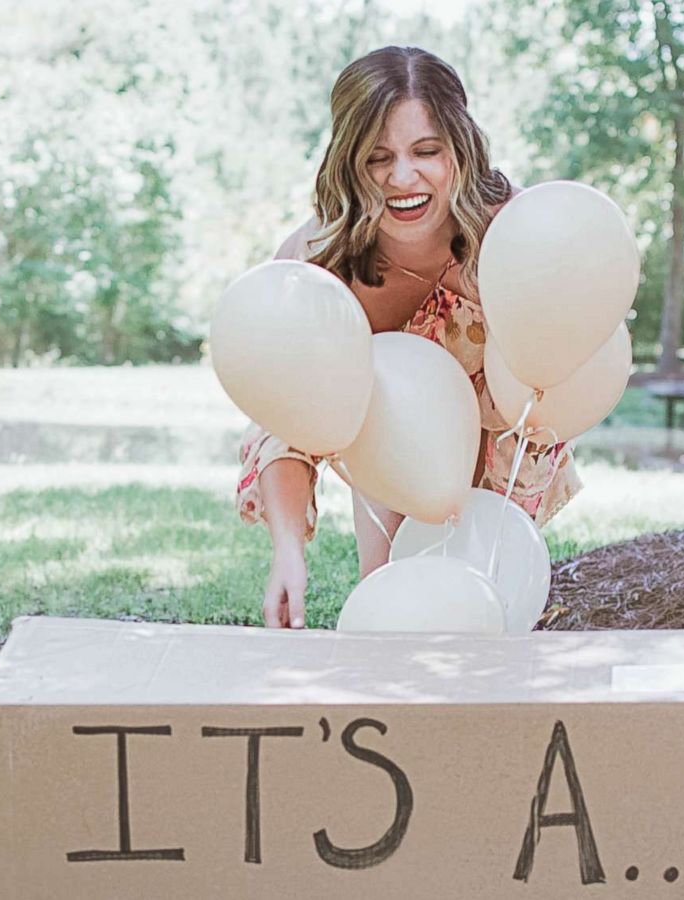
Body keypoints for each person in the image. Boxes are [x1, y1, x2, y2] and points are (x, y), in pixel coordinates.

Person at [236, 45, 582, 629]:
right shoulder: (322, 263)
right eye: (378, 158)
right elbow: (289, 418)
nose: (403, 178)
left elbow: (564, 355)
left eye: (427, 151)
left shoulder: (514, 234)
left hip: (502, 435)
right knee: (394, 606)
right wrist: (287, 553)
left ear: (460, 148)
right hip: (390, 443)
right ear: (349, 162)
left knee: (483, 609)